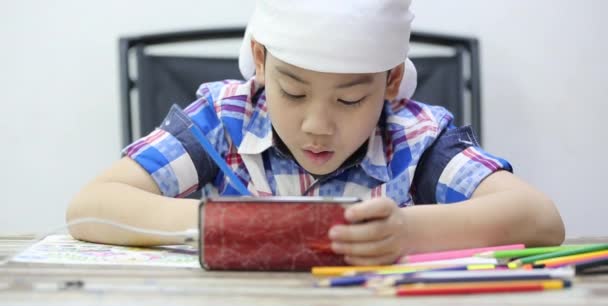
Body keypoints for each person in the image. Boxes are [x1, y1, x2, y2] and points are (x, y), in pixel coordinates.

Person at [66, 0, 564, 266]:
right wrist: (227, 225)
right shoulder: (221, 124)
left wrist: (408, 232)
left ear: (391, 81)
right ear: (260, 62)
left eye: (350, 100)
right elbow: (90, 207)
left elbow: (541, 220)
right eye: (295, 92)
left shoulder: (414, 140)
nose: (317, 125)